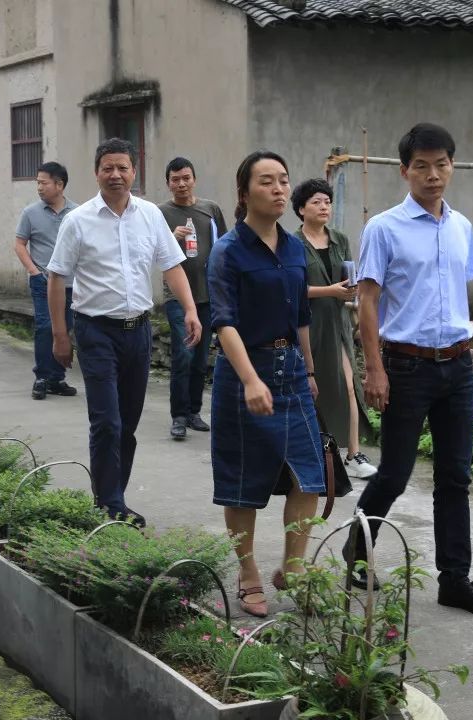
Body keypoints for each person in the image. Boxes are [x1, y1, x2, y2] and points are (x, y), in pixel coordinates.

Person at [349, 123, 473, 619]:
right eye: (422, 165)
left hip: (458, 365)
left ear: (452, 166)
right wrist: (374, 368)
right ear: (405, 171)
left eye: (442, 164)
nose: (433, 175)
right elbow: (367, 301)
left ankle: (455, 580)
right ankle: (357, 553)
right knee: (394, 473)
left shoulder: (461, 227)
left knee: (455, 478)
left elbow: (456, 292)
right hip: (405, 366)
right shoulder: (384, 228)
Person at [47, 137, 201, 527]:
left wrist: (190, 308)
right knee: (107, 421)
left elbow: (172, 265)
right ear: (96, 172)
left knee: (127, 423)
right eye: (107, 168)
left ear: (134, 172)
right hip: (95, 330)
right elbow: (57, 279)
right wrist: (60, 336)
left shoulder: (149, 215)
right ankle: (112, 504)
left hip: (138, 332)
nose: (115, 175)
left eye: (122, 168)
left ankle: (110, 496)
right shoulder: (78, 220)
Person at [207, 151, 325, 618]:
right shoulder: (228, 251)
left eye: (283, 180)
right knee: (243, 481)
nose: (278, 189)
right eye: (266, 182)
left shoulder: (296, 249)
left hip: (292, 373)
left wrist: (310, 372)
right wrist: (252, 379)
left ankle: (293, 569)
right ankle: (248, 571)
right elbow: (224, 322)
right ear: (244, 194)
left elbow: (301, 318)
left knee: (310, 475)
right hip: (244, 375)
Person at [292, 178, 377, 479]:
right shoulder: (292, 243)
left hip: (338, 322)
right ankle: (313, 453)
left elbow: (350, 274)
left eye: (327, 201)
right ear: (301, 209)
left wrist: (349, 290)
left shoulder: (339, 238)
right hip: (308, 324)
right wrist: (329, 291)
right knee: (311, 387)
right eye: (316, 201)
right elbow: (292, 288)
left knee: (348, 385)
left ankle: (352, 453)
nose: (324, 206)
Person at [159, 157, 228, 440]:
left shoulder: (210, 209)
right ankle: (177, 416)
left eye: (186, 177)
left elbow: (224, 246)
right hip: (176, 296)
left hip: (207, 295)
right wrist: (172, 237)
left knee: (201, 358)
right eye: (175, 179)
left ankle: (193, 411)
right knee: (183, 355)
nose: (181, 184)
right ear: (168, 183)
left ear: (194, 179)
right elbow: (153, 252)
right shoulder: (160, 213)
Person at [15, 161, 80, 400]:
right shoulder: (31, 213)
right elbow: (19, 244)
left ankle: (57, 378)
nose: (39, 188)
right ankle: (41, 377)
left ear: (59, 185)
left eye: (44, 183)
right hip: (42, 281)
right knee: (45, 327)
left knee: (66, 328)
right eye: (38, 183)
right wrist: (33, 271)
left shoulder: (77, 212)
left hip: (72, 283)